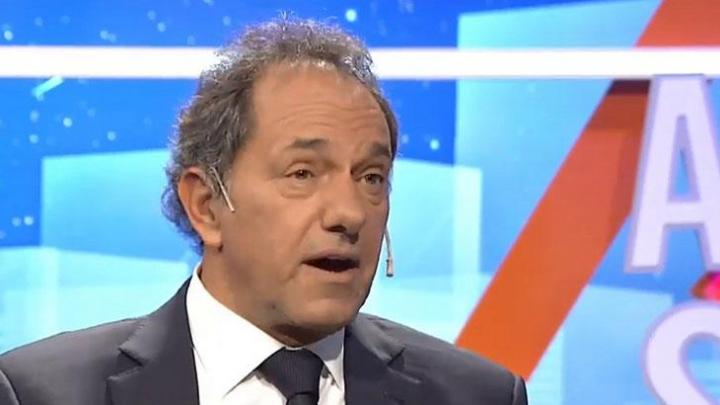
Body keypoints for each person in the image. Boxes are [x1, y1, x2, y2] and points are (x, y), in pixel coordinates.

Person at [0, 17, 527, 405]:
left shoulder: (477, 396)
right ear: (206, 205)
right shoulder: (41, 393)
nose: (349, 213)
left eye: (371, 177)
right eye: (302, 173)